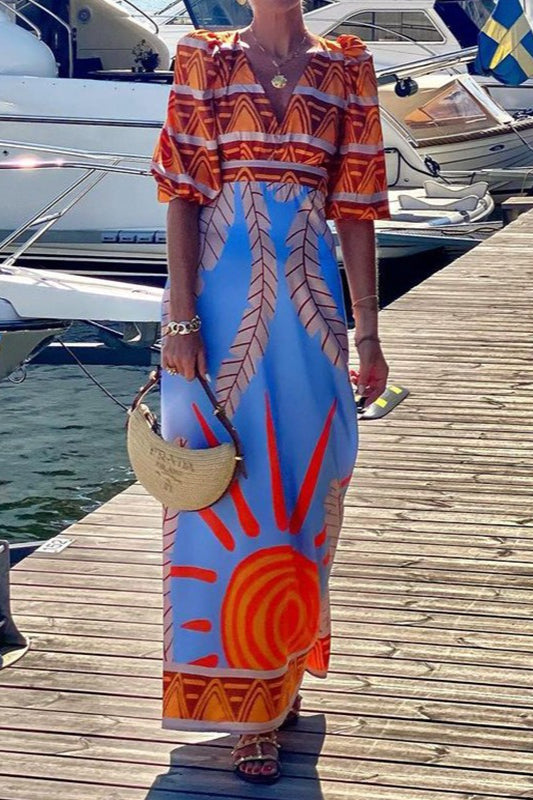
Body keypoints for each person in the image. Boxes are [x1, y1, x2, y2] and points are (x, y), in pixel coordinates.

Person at [150, 0, 390, 785]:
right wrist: (181, 320)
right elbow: (181, 193)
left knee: (310, 488)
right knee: (225, 501)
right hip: (218, 312)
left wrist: (367, 332)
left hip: (311, 310)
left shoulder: (346, 66)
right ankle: (247, 713)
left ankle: (279, 673)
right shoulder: (205, 58)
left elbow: (356, 204)